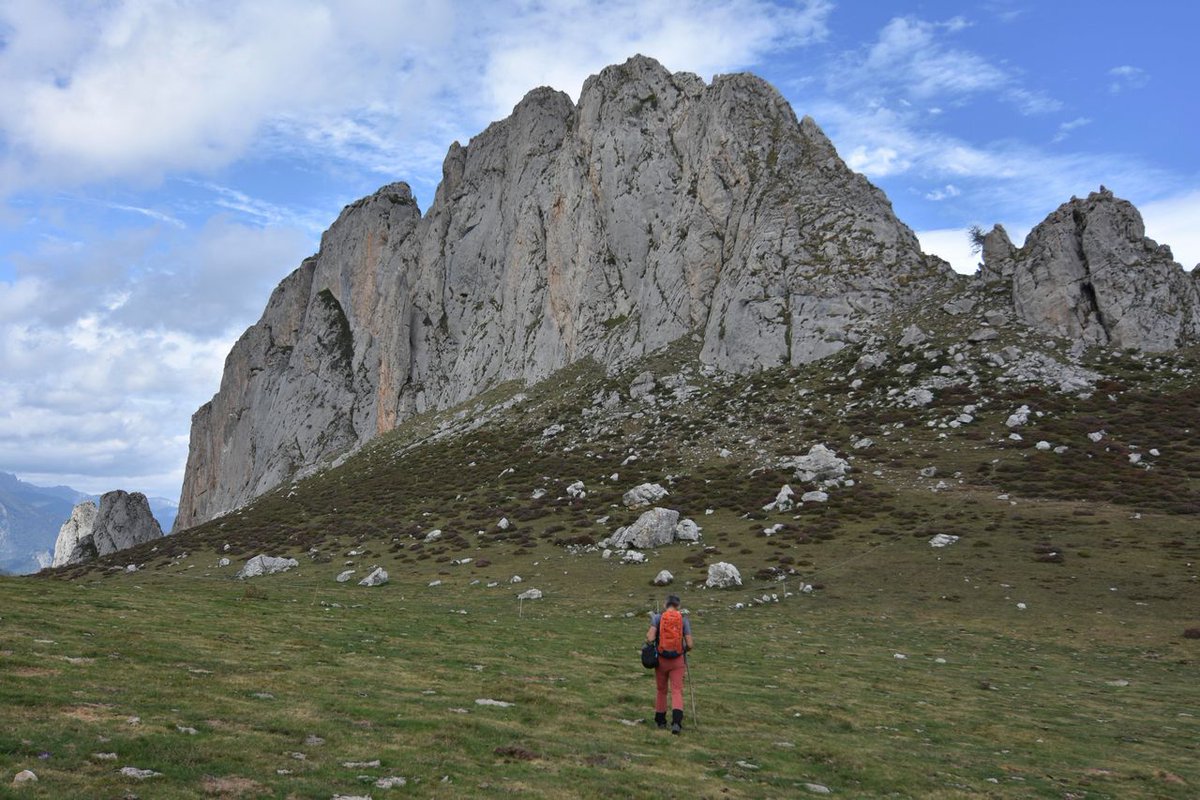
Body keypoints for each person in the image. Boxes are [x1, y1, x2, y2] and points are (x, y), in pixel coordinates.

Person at [645, 594, 694, 734]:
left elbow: (650, 638)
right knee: (677, 690)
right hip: (678, 661)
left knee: (661, 690)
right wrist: (684, 649)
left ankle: (660, 721)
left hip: (661, 660)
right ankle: (677, 723)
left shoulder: (658, 618)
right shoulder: (683, 620)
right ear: (678, 606)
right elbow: (690, 644)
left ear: (665, 605)